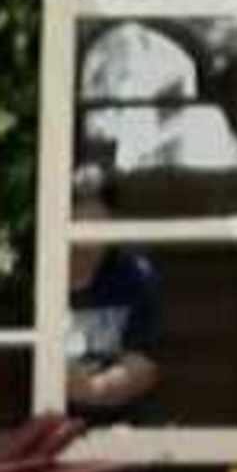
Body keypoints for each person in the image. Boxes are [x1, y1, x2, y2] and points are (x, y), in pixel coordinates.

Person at [62, 157, 161, 416]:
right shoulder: (37, 274)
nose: (90, 216)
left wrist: (94, 389)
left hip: (117, 421)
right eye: (78, 206)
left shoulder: (133, 275)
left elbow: (142, 365)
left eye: (100, 206)